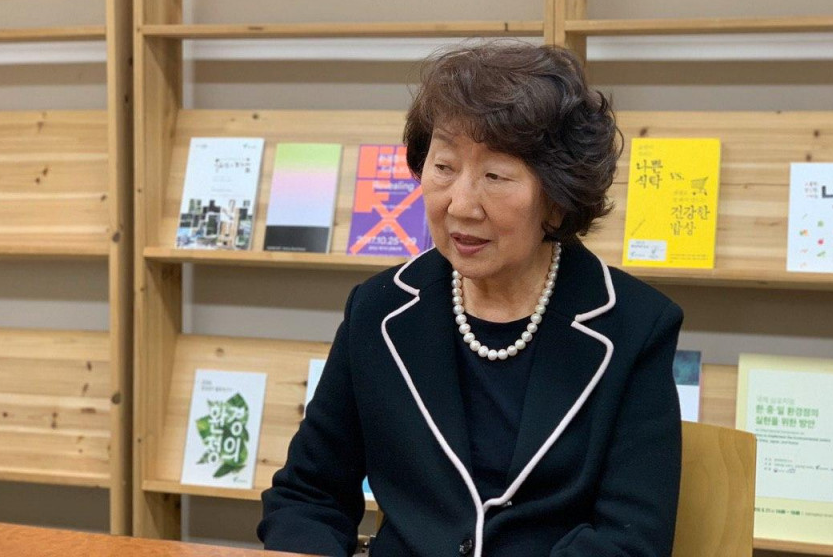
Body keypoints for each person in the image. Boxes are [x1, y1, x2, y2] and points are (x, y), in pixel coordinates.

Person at [259, 40, 683, 557]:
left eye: (494, 176)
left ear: (557, 197)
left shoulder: (635, 326)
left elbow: (628, 540)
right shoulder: (378, 309)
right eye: (444, 167)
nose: (461, 204)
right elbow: (309, 495)